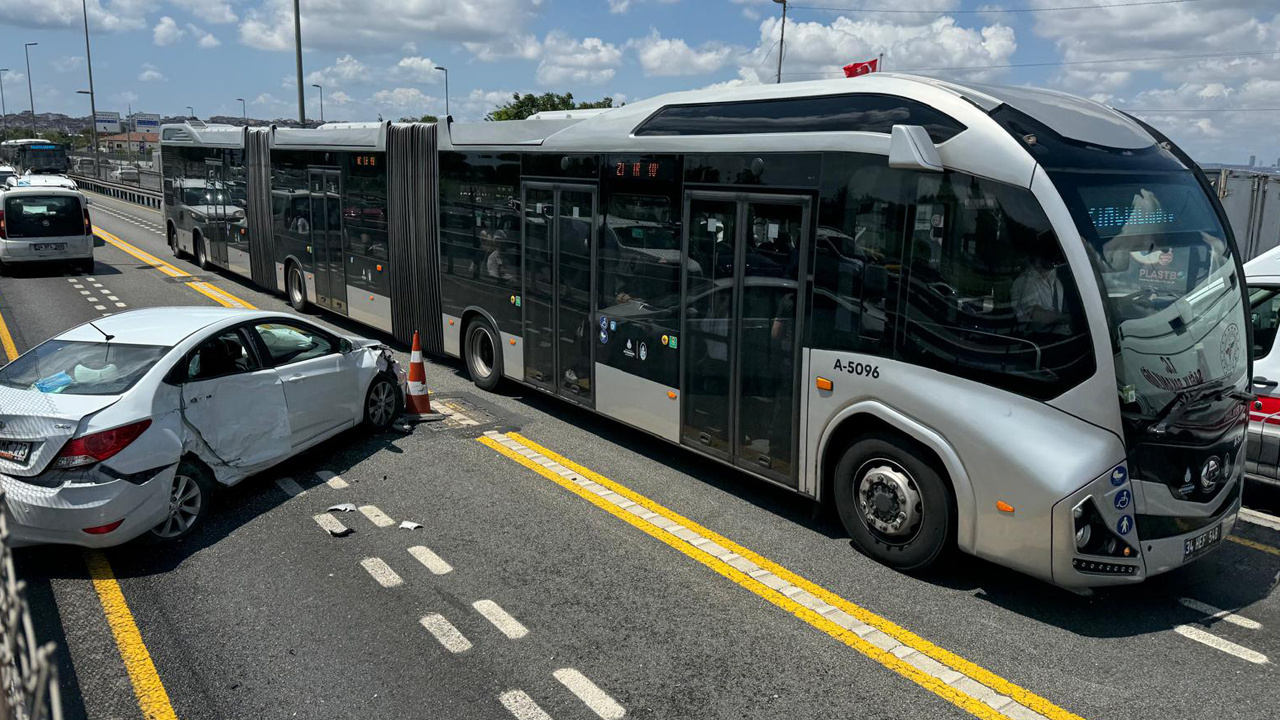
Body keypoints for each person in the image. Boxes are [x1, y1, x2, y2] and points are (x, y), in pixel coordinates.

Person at [1011, 248, 1069, 333]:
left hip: (1060, 335)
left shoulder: (1056, 281)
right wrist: (1065, 318)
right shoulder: (1026, 281)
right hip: (1034, 337)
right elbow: (1036, 315)